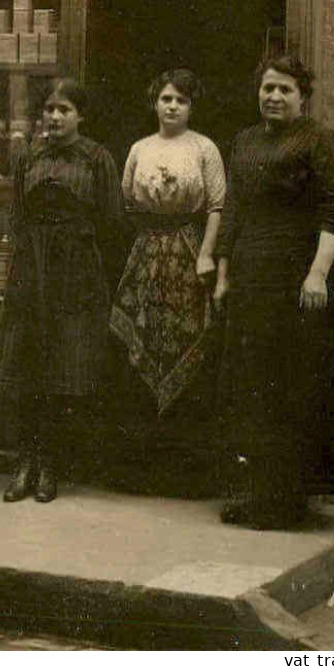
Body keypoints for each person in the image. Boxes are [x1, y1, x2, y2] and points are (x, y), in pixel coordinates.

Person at [214, 53, 334, 530]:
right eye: (267, 88)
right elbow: (232, 211)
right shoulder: (245, 142)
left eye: (284, 90)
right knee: (251, 383)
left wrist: (317, 273)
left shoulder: (320, 142)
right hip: (252, 275)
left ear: (302, 96)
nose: (273, 97)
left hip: (298, 279)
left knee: (294, 383)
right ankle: (257, 493)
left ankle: (290, 499)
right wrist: (224, 274)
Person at [0, 78, 124, 503]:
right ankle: (24, 463)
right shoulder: (27, 157)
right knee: (27, 368)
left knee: (62, 372)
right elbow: (15, 214)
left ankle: (50, 466)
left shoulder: (97, 159)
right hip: (32, 270)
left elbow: (111, 220)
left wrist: (84, 263)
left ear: (80, 116)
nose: (55, 116)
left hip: (75, 274)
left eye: (64, 109)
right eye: (49, 108)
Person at [110, 69, 226, 417]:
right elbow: (126, 201)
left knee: (186, 333)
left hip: (189, 248)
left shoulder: (204, 147)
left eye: (182, 100)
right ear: (154, 103)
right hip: (147, 248)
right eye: (166, 99)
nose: (173, 106)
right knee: (142, 332)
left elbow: (218, 205)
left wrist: (205, 253)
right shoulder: (140, 148)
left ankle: (181, 431)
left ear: (191, 107)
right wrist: (144, 241)